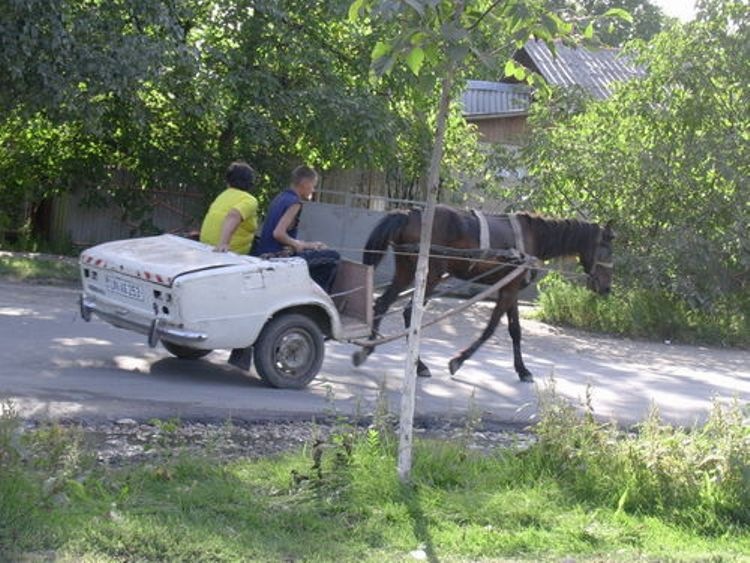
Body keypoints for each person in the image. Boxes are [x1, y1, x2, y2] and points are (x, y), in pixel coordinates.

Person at [254, 165, 339, 292]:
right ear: (304, 183)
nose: (313, 190)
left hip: (264, 252)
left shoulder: (281, 197)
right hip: (277, 257)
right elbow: (278, 233)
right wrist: (298, 245)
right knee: (333, 257)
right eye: (313, 185)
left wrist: (308, 245)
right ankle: (316, 296)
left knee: (314, 253)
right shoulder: (295, 203)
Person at [200, 161, 258, 254]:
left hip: (205, 247)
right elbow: (234, 214)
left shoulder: (222, 196)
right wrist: (223, 243)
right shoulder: (249, 200)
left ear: (228, 180)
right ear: (250, 183)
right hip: (229, 254)